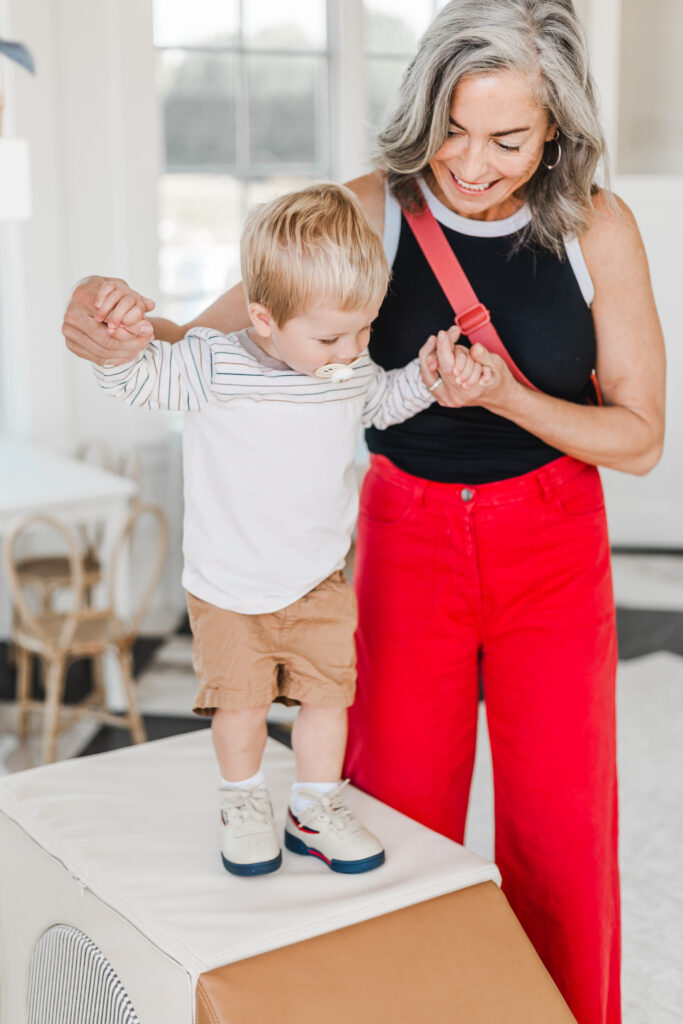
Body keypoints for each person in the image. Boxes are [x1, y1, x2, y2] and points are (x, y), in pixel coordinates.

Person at [63, 1, 665, 1019]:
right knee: (389, 813)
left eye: (506, 139)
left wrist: (504, 394)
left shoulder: (594, 225)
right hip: (405, 533)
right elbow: (215, 340)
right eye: (450, 128)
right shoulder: (368, 209)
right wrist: (109, 326)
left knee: (560, 830)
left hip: (551, 539)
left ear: (555, 128)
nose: (469, 164)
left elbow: (639, 438)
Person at [88, 182, 486, 878]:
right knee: (240, 712)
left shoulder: (344, 368)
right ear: (265, 319)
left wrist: (423, 377)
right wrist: (119, 347)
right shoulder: (211, 362)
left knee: (328, 701)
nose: (351, 349)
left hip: (318, 578)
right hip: (229, 586)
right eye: (332, 336)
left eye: (363, 330)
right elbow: (139, 382)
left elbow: (380, 403)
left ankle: (314, 804)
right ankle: (242, 802)